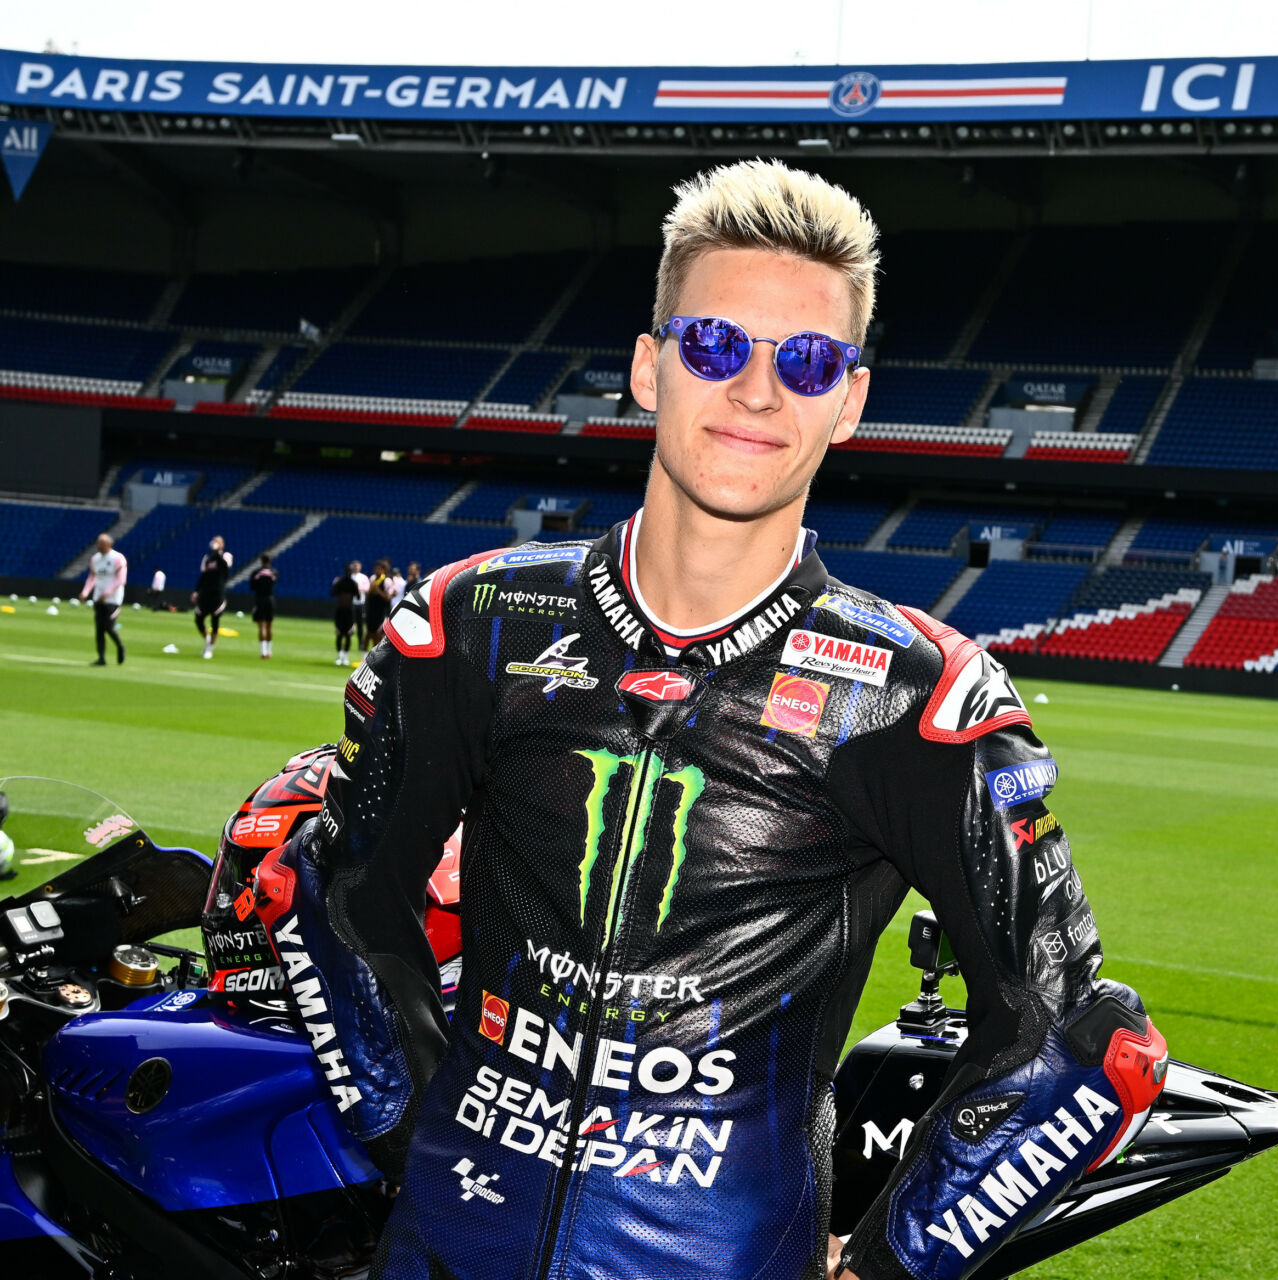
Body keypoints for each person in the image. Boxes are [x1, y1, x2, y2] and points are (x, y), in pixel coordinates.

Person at [247, 161, 1163, 1280]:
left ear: (851, 398)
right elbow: (331, 894)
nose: (759, 390)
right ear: (649, 366)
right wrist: (416, 1132)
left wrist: (889, 1261)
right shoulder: (470, 623)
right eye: (716, 345)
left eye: (809, 360)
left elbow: (1079, 1035)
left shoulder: (916, 697)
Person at [80, 533, 127, 666]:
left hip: (113, 599)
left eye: (102, 543)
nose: (99, 546)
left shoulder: (118, 559)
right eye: (98, 543)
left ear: (109, 545)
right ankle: (101, 658)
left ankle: (120, 646)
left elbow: (120, 580)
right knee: (99, 628)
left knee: (108, 627)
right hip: (98, 598)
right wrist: (85, 592)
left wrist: (106, 594)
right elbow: (92, 577)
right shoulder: (95, 559)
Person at [190, 535, 234, 660]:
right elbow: (203, 576)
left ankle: (209, 648)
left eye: (217, 542)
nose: (214, 543)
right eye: (214, 541)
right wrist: (196, 591)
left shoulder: (225, 556)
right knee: (198, 619)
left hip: (217, 592)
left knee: (215, 620)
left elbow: (225, 567)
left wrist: (217, 553)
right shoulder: (207, 558)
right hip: (206, 592)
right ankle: (208, 640)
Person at [249, 553, 278, 659]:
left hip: (259, 599)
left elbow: (252, 587)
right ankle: (269, 651)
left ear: (261, 560)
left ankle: (263, 652)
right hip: (270, 599)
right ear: (270, 560)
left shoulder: (256, 573)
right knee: (270, 625)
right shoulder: (274, 572)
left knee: (262, 626)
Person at [329, 564, 357, 666]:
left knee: (348, 634)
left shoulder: (352, 583)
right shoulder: (341, 582)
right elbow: (333, 593)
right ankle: (340, 656)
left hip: (348, 611)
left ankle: (345, 656)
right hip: (342, 611)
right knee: (339, 634)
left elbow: (357, 595)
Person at [365, 558, 394, 638]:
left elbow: (388, 598)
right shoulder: (372, 578)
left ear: (384, 570)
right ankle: (365, 650)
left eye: (379, 569)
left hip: (382, 611)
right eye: (376, 569)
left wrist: (378, 591)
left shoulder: (387, 580)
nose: (377, 571)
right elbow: (368, 596)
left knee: (380, 634)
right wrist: (371, 590)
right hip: (372, 609)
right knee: (369, 633)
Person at [350, 559, 371, 651]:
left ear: (360, 567)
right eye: (354, 566)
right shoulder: (349, 576)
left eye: (357, 566)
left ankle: (360, 643)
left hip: (361, 603)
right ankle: (348, 642)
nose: (355, 568)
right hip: (351, 603)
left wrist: (357, 587)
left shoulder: (363, 577)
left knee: (360, 624)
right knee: (349, 623)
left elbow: (367, 588)